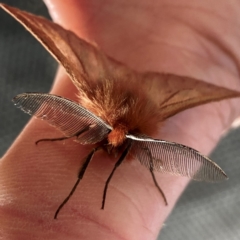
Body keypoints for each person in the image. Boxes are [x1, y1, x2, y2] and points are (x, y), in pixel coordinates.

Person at [1, 0, 240, 239]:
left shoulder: (131, 136)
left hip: (132, 97)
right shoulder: (111, 127)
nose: (113, 145)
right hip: (122, 94)